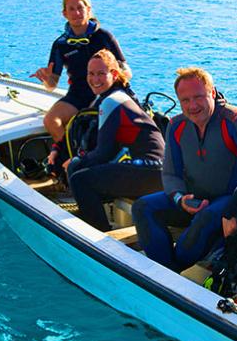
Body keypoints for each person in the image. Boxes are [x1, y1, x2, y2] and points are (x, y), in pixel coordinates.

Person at [131, 67, 237, 272]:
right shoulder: (176, 125)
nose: (192, 105)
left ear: (212, 93)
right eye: (185, 100)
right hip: (194, 199)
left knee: (194, 235)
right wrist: (180, 198)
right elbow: (170, 173)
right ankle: (166, 272)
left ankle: (169, 271)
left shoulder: (235, 120)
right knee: (142, 207)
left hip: (229, 202)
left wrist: (232, 210)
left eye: (198, 97)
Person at [64, 50, 164, 232]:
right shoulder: (120, 96)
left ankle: (97, 233)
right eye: (91, 73)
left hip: (151, 172)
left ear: (115, 74)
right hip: (158, 172)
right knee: (83, 169)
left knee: (79, 179)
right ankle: (95, 218)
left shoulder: (111, 101)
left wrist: (77, 161)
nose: (95, 79)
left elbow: (104, 153)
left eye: (101, 73)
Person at [32, 0, 127, 163]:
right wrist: (46, 79)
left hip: (106, 92)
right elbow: (52, 85)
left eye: (80, 8)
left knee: (94, 122)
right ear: (64, 14)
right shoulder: (61, 44)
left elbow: (127, 71)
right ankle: (71, 161)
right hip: (79, 94)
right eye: (71, 9)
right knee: (51, 120)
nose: (76, 13)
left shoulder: (103, 37)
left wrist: (111, 77)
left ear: (88, 10)